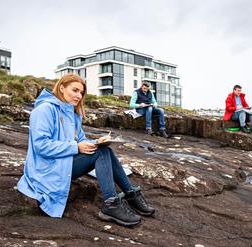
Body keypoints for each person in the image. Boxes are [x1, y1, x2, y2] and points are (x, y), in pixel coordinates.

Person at [17, 74, 155, 227]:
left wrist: (96, 142)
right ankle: (111, 204)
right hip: (48, 168)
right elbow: (41, 145)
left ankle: (130, 194)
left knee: (105, 150)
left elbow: (81, 140)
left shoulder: (72, 113)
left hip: (63, 161)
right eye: (75, 90)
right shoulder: (44, 110)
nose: (78, 96)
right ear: (62, 88)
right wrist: (76, 147)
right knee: (101, 153)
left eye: (81, 93)